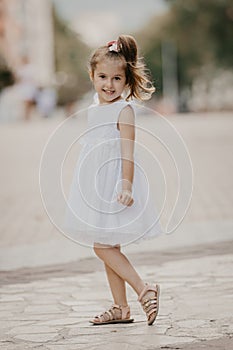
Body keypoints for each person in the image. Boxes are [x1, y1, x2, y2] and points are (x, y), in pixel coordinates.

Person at [64, 35, 162, 326]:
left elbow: (128, 153)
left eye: (117, 78)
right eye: (103, 77)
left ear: (127, 80)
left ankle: (144, 289)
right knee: (109, 247)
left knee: (101, 246)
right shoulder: (94, 110)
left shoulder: (124, 110)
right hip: (96, 187)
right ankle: (121, 308)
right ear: (92, 76)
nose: (109, 84)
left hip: (115, 185)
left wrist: (126, 185)